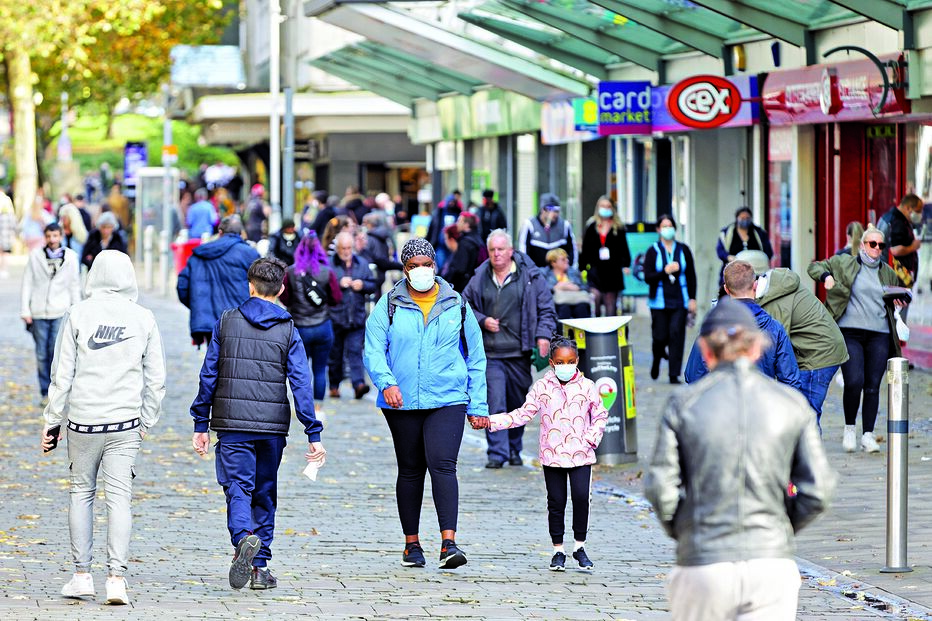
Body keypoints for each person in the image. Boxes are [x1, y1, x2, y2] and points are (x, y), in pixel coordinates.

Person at [644, 297, 835, 621]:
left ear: (706, 352)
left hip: (704, 561)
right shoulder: (790, 404)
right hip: (770, 563)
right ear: (757, 349)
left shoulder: (685, 404)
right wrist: (780, 525)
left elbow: (661, 485)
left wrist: (687, 529)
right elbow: (819, 488)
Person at [190, 257, 326, 590]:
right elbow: (300, 381)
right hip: (271, 428)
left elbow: (209, 374)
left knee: (238, 489)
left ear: (249, 286)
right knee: (264, 493)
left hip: (232, 423)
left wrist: (200, 422)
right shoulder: (288, 327)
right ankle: (260, 568)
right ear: (281, 289)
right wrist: (313, 431)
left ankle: (243, 538)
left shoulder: (226, 322)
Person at [42, 250, 166, 605]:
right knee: (119, 499)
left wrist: (53, 420)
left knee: (81, 493)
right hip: (125, 422)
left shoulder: (78, 314)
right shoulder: (144, 318)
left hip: (83, 421)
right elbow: (156, 378)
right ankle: (116, 580)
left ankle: (82, 576)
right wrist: (146, 420)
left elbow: (61, 375)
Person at [363, 238, 487, 570]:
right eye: (413, 266)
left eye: (426, 264)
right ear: (404, 270)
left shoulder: (456, 303)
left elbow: (476, 356)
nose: (420, 271)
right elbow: (373, 348)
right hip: (401, 400)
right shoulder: (389, 304)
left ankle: (449, 543)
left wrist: (479, 406)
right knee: (411, 469)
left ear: (435, 265)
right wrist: (386, 382)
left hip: (448, 397)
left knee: (443, 464)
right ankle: (411, 544)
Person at [471, 335, 607, 571]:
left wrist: (590, 439)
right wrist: (490, 421)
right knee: (556, 501)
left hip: (581, 454)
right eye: (561, 362)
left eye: (571, 361)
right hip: (552, 454)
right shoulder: (542, 387)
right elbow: (522, 414)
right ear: (552, 363)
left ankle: (579, 546)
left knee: (581, 498)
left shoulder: (588, 386)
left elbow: (600, 415)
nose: (566, 366)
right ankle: (558, 550)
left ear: (577, 360)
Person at [463, 229, 557, 468]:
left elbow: (546, 309)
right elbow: (463, 306)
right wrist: (483, 320)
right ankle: (497, 453)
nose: (496, 254)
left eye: (501, 249)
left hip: (519, 351)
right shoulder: (480, 276)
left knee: (517, 403)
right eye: (492, 250)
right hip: (491, 352)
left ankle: (514, 448)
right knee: (495, 401)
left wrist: (543, 336)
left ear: (511, 251)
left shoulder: (530, 276)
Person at [808, 225, 902, 453]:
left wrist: (899, 298)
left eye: (881, 245)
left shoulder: (887, 272)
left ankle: (867, 435)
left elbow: (894, 294)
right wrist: (826, 277)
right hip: (849, 331)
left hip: (879, 334)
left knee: (872, 385)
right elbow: (814, 266)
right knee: (853, 381)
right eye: (872, 244)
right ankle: (850, 428)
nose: (877, 249)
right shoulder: (845, 263)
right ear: (862, 245)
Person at [739, 250, 849, 430]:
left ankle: (810, 456)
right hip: (815, 350)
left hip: (818, 355)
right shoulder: (771, 289)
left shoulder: (775, 301)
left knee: (805, 414)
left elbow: (774, 347)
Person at [684, 261, 801, 391]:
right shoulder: (775, 328)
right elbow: (790, 380)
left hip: (720, 405)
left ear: (726, 289)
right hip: (760, 404)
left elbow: (693, 375)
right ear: (755, 286)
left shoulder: (712, 327)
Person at [177, 215, 260, 347]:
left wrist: (199, 306)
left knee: (214, 361)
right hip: (240, 320)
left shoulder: (201, 253)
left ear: (220, 232)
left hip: (210, 324)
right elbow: (261, 285)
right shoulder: (249, 253)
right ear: (240, 233)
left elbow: (182, 286)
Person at [21, 223, 82, 402]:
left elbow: (74, 285)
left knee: (56, 352)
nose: (52, 240)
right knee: (41, 353)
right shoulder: (35, 256)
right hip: (39, 311)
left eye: (55, 236)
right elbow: (27, 283)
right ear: (45, 237)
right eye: (48, 236)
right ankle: (43, 391)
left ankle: (56, 390)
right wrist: (25, 309)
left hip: (60, 311)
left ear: (61, 236)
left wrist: (76, 310)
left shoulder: (71, 257)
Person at [280, 232, 342, 409]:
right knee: (320, 369)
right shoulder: (326, 272)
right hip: (323, 326)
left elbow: (284, 298)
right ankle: (318, 407)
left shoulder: (291, 272)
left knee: (301, 370)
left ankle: (302, 404)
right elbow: (336, 298)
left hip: (300, 327)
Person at [643, 215, 697, 384]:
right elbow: (648, 277)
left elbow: (691, 276)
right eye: (664, 226)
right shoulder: (653, 251)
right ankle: (657, 357)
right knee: (660, 336)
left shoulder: (683, 249)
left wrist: (693, 299)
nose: (668, 229)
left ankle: (674, 374)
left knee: (676, 334)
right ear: (658, 230)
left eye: (670, 226)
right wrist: (664, 271)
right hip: (658, 301)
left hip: (680, 299)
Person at [328, 232, 377, 399]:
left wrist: (362, 284)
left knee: (356, 350)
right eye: (343, 248)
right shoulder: (329, 264)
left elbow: (373, 285)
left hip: (356, 315)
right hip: (336, 316)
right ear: (337, 248)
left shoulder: (361, 263)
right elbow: (323, 286)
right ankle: (334, 385)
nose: (346, 251)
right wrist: (338, 283)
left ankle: (359, 384)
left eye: (349, 248)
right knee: (336, 354)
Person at [580, 196, 630, 316]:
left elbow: (624, 249)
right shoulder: (591, 227)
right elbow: (585, 250)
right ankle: (595, 331)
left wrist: (626, 264)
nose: (606, 209)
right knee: (595, 299)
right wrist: (582, 268)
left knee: (610, 304)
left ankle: (610, 333)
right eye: (603, 206)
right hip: (595, 270)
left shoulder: (619, 228)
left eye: (608, 206)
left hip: (613, 271)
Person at [880, 194, 923, 320]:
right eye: (918, 211)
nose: (919, 215)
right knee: (897, 322)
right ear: (909, 208)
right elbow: (895, 250)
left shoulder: (890, 217)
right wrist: (913, 247)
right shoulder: (897, 222)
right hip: (897, 280)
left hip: (893, 279)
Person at [715, 206, 773, 284]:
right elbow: (720, 250)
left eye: (747, 217)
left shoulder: (759, 233)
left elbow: (768, 252)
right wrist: (728, 257)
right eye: (742, 217)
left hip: (756, 273)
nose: (745, 220)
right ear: (737, 218)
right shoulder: (726, 233)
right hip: (734, 273)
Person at [518, 193, 578, 268]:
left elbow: (572, 249)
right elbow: (523, 251)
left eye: (557, 211)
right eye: (551, 210)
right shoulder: (529, 225)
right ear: (543, 210)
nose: (554, 214)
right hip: (536, 273)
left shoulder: (565, 226)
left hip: (558, 274)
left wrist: (571, 270)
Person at [361, 211, 402, 299]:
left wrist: (399, 266)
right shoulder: (382, 236)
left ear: (370, 224)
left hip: (374, 277)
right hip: (379, 277)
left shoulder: (371, 238)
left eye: (364, 223)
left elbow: (380, 259)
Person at [442, 212, 485, 294]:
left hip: (464, 288)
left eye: (459, 221)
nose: (457, 224)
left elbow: (459, 269)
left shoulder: (465, 243)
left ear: (466, 224)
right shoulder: (478, 240)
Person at [543, 248, 591, 319]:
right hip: (557, 304)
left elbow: (585, 287)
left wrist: (577, 288)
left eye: (567, 258)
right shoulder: (545, 274)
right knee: (564, 309)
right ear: (553, 263)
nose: (567, 261)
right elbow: (543, 291)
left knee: (581, 308)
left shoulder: (574, 272)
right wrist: (556, 287)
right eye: (563, 259)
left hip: (577, 300)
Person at [425, 191, 462, 269]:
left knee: (451, 266)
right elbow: (432, 229)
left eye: (453, 202)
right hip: (440, 245)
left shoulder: (458, 214)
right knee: (441, 265)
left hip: (453, 245)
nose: (451, 204)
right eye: (450, 202)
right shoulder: (439, 214)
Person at [0, 189, 14, 278]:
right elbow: (13, 223)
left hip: (5, 232)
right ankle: (4, 270)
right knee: (5, 252)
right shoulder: (6, 199)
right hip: (6, 233)